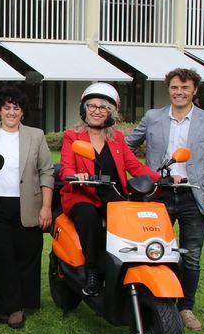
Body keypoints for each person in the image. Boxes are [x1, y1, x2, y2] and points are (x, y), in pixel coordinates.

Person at [127, 68, 204, 331]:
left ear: (194, 90)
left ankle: (185, 307)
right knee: (153, 252)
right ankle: (154, 304)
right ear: (168, 89)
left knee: (191, 256)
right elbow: (125, 147)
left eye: (185, 88)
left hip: (194, 196)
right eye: (174, 87)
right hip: (158, 195)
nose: (179, 92)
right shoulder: (153, 117)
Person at [60, 82, 159, 298]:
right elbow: (66, 166)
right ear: (84, 109)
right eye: (92, 106)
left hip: (113, 196)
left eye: (103, 107)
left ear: (111, 113)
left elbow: (134, 166)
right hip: (82, 195)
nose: (96, 111)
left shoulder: (117, 139)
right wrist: (77, 176)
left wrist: (163, 178)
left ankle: (130, 268)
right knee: (88, 218)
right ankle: (93, 271)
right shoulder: (72, 136)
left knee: (134, 224)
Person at [0, 86, 54, 330]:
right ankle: (10, 308)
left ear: (23, 112)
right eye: (6, 107)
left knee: (26, 254)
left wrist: (47, 207)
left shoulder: (36, 136)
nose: (11, 112)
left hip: (28, 203)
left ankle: (22, 302)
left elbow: (47, 172)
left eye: (16, 107)